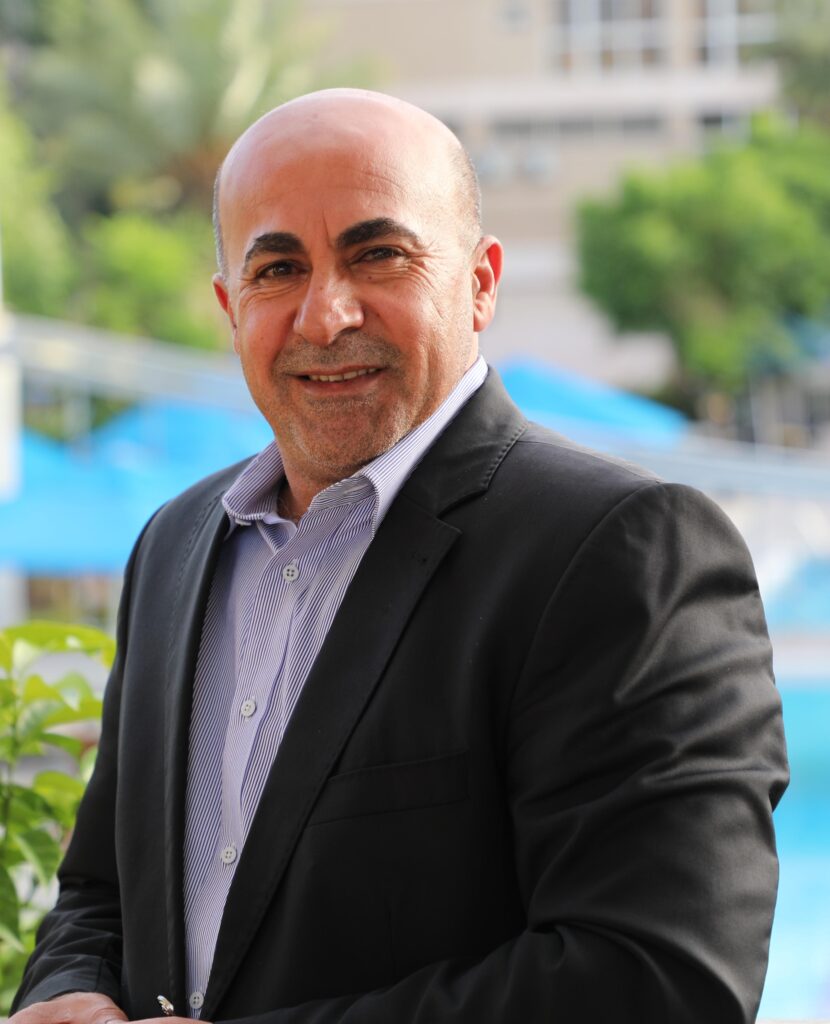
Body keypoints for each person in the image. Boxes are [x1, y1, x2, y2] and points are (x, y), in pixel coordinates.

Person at [11, 88, 788, 1024]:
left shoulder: (626, 550)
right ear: (229, 307)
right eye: (277, 269)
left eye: (378, 254)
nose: (324, 315)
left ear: (481, 283)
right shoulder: (173, 546)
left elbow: (660, 980)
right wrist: (70, 990)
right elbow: (102, 890)